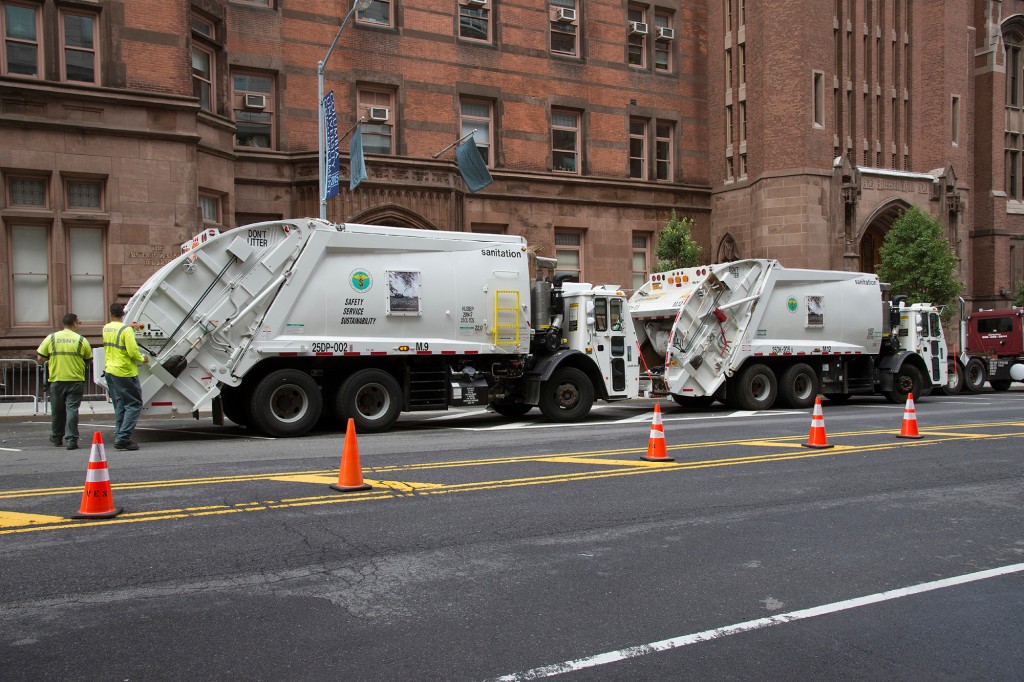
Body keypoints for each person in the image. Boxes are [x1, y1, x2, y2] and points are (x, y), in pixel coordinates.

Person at [36, 313, 93, 450]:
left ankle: (57, 437)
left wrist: (52, 360)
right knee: (72, 410)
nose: (79, 325)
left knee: (57, 410)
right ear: (73, 323)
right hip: (75, 380)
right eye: (78, 322)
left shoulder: (52, 338)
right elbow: (88, 358)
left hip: (57, 380)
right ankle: (71, 440)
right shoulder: (81, 340)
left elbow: (40, 358)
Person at [103, 303, 148, 451]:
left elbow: (118, 332)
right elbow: (133, 351)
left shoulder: (106, 328)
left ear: (110, 314)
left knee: (120, 405)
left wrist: (129, 327)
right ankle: (123, 438)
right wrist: (143, 359)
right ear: (123, 313)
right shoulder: (126, 330)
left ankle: (120, 435)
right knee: (134, 405)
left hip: (110, 371)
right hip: (125, 372)